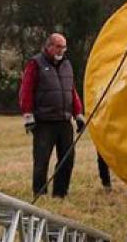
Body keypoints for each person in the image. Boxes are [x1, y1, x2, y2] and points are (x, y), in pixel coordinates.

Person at [18, 33, 86, 198]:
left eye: (64, 47)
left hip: (64, 121)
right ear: (49, 46)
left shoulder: (67, 65)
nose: (62, 50)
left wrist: (78, 114)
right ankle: (40, 192)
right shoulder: (36, 64)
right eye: (58, 46)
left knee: (67, 160)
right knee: (42, 161)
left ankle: (60, 194)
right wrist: (28, 116)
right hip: (44, 122)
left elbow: (71, 90)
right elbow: (26, 90)